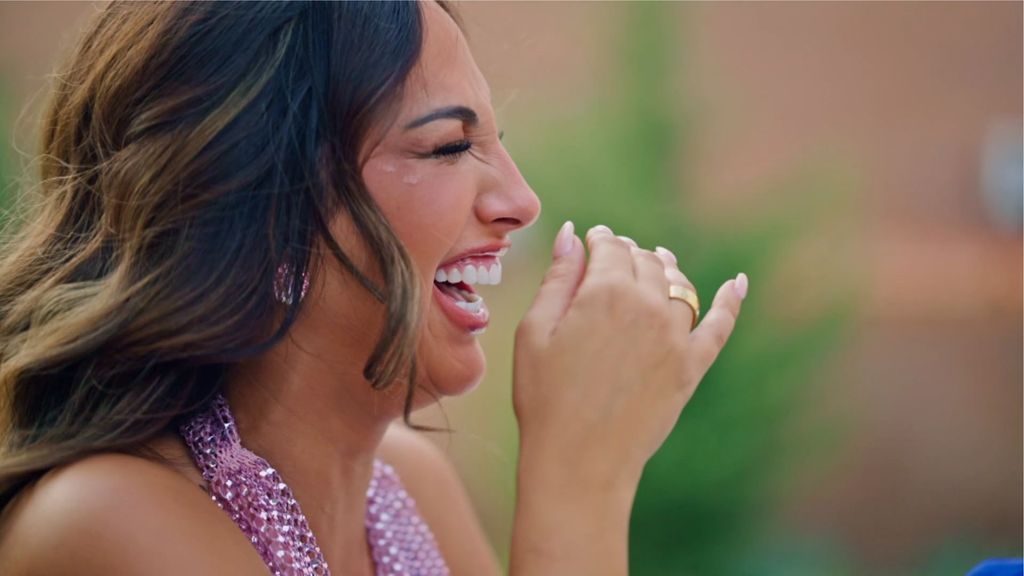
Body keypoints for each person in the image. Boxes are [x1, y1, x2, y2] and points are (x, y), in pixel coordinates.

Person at [0, 1, 746, 574]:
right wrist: (581, 484)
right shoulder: (104, 521)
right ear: (266, 211)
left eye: (498, 145)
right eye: (451, 146)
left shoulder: (408, 485)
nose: (521, 200)